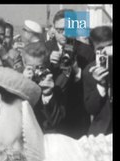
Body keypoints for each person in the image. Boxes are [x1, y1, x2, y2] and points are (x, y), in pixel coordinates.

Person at [45, 9, 95, 139]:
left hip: (77, 116)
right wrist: (47, 62)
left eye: (68, 29)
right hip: (51, 116)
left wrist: (77, 71)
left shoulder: (87, 51)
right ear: (53, 29)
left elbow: (91, 88)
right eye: (60, 30)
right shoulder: (45, 48)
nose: (65, 34)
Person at [21, 42, 66, 134]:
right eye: (30, 67)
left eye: (39, 67)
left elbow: (55, 122)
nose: (34, 72)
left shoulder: (53, 87)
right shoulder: (15, 79)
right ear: (24, 63)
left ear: (46, 66)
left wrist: (48, 94)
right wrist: (23, 85)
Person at [83, 26, 113, 136]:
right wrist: (100, 85)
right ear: (94, 50)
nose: (105, 53)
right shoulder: (89, 71)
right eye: (101, 49)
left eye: (109, 47)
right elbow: (91, 109)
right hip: (102, 131)